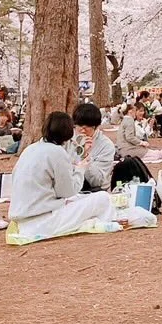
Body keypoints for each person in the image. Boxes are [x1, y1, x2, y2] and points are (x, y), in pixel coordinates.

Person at [9, 112, 118, 241]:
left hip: (24, 220)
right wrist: (80, 169)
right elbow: (68, 192)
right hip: (44, 220)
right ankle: (107, 224)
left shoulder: (30, 149)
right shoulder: (57, 152)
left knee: (83, 198)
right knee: (102, 198)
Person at [68, 102, 117, 190]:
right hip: (70, 186)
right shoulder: (67, 139)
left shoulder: (106, 146)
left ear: (96, 126)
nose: (82, 130)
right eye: (79, 125)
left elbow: (97, 181)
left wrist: (85, 156)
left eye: (87, 127)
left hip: (92, 189)